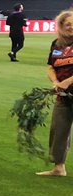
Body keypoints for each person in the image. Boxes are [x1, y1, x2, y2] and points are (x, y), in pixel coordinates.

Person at [38, 10, 73, 177]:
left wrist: (68, 81)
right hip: (64, 96)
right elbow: (51, 66)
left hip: (69, 87)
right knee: (59, 129)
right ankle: (59, 167)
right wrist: (55, 82)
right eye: (68, 24)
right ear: (61, 26)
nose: (71, 27)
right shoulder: (57, 44)